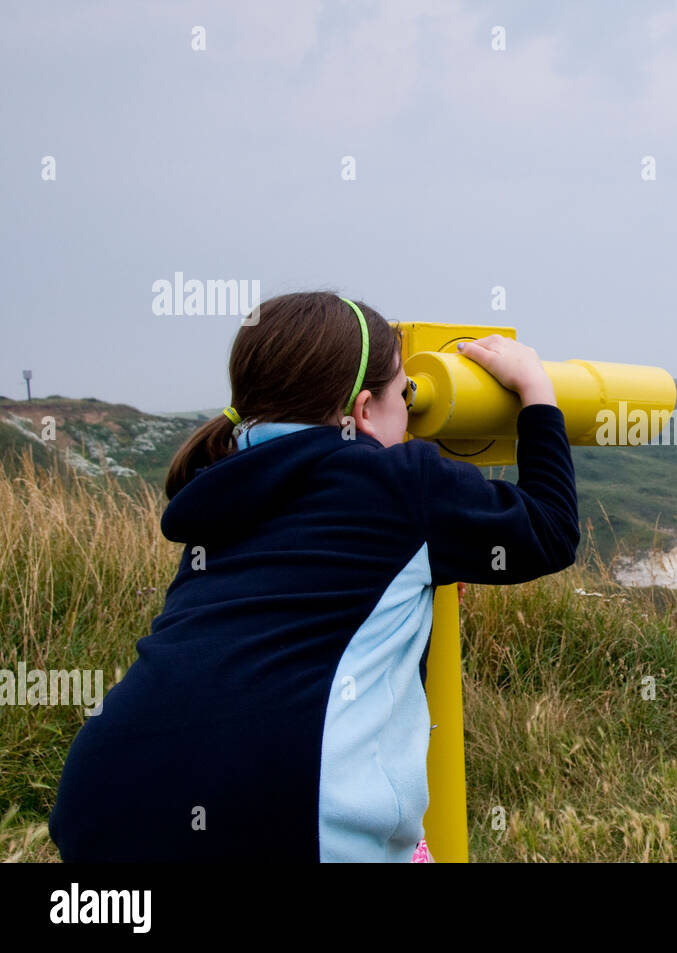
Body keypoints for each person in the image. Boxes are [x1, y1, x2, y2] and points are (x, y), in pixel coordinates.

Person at [47, 291, 579, 862]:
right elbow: (551, 529)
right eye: (406, 394)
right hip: (282, 812)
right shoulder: (398, 483)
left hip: (104, 800)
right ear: (364, 410)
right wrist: (537, 392)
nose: (411, 412)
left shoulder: (224, 485)